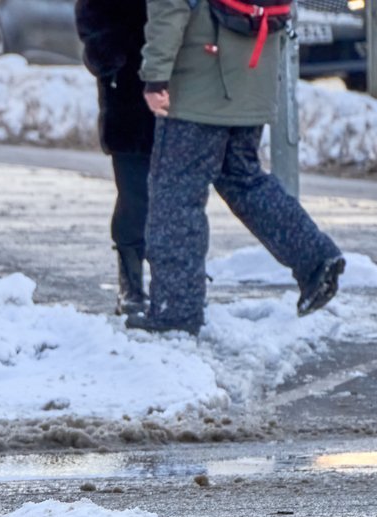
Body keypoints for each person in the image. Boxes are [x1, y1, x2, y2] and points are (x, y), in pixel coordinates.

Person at [132, 0, 343, 333]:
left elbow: (170, 8)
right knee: (244, 178)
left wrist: (155, 74)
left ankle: (175, 314)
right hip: (253, 76)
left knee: (175, 194)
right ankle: (315, 260)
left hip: (199, 85)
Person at [76, 0, 155, 316]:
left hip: (178, 81)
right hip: (125, 87)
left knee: (176, 192)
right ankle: (132, 283)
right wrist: (106, 52)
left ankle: (174, 278)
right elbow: (89, 13)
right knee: (134, 192)